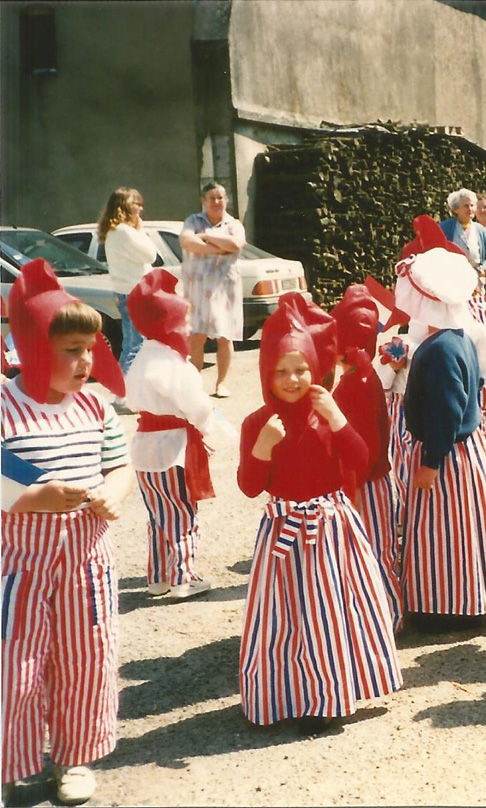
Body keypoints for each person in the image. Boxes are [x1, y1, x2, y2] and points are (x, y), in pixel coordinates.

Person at [237, 293, 400, 732]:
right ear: (266, 374)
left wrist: (339, 420)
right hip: (284, 530)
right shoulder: (257, 423)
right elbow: (250, 486)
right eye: (282, 372)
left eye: (302, 369)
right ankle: (286, 691)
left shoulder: (327, 410)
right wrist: (261, 450)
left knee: (332, 610)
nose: (293, 380)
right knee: (288, 615)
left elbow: (362, 461)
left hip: (331, 527)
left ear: (316, 368)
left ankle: (330, 695)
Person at [2, 259, 133, 806]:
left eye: (90, 349)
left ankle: (73, 757)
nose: (86, 362)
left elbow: (120, 466)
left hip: (86, 562)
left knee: (87, 658)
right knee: (17, 663)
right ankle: (15, 759)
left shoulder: (96, 407)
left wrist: (114, 494)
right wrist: (35, 499)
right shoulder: (6, 408)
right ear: (33, 347)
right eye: (71, 350)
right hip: (21, 565)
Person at [398, 245, 486, 622]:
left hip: (448, 456)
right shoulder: (456, 337)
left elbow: (447, 409)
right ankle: (464, 598)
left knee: (446, 532)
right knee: (460, 530)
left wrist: (431, 461)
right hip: (460, 452)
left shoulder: (443, 348)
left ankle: (449, 606)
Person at [125, 269, 217, 601]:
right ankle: (183, 576)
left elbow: (130, 399)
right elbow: (196, 406)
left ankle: (158, 577)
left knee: (157, 514)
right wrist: (211, 428)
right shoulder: (176, 364)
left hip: (143, 447)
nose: (189, 328)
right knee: (182, 512)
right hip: (173, 446)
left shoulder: (141, 359)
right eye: (185, 321)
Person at [331, 284, 405, 636]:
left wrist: (351, 486)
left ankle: (386, 617)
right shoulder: (365, 375)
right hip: (375, 479)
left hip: (365, 484)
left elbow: (362, 446)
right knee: (379, 550)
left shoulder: (353, 384)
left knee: (373, 552)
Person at [180, 183, 246, 399]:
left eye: (220, 197)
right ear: (203, 200)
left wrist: (206, 236)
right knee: (196, 337)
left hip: (224, 288)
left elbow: (236, 244)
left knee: (225, 337)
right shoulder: (192, 220)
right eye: (212, 198)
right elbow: (186, 241)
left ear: (225, 200)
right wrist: (217, 250)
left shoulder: (233, 224)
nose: (216, 202)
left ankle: (221, 383)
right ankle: (194, 384)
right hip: (197, 289)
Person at [97, 186, 157, 413]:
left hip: (126, 292)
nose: (141, 209)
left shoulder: (113, 231)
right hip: (136, 292)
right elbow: (151, 254)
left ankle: (122, 393)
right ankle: (123, 396)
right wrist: (141, 229)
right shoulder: (124, 231)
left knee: (131, 344)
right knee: (136, 345)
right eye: (136, 204)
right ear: (124, 206)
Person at [439, 188, 486, 288]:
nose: (470, 209)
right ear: (456, 209)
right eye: (466, 206)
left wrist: (485, 269)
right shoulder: (444, 228)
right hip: (452, 283)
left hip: (477, 284)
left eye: (472, 205)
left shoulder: (480, 230)